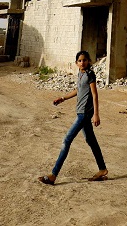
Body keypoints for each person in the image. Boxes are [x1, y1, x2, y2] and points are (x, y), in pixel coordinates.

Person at [38, 50, 108, 185]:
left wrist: (96, 114)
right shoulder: (80, 74)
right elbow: (78, 90)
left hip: (84, 114)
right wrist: (63, 98)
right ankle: (102, 169)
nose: (82, 63)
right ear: (76, 63)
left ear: (88, 61)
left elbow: (94, 94)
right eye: (80, 61)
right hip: (80, 112)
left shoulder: (90, 74)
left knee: (67, 140)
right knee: (91, 141)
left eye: (84, 60)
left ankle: (53, 175)